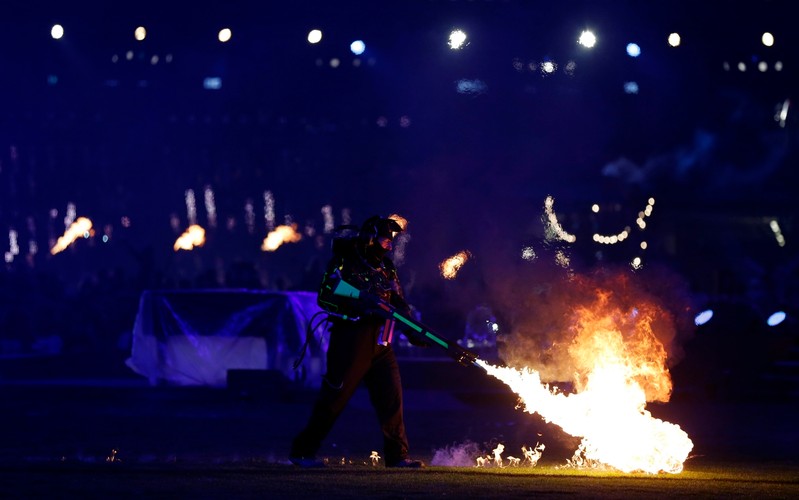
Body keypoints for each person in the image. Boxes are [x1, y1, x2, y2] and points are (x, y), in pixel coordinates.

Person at [289, 215, 425, 468]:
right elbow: (326, 295)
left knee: (391, 399)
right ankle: (303, 452)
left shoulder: (386, 267)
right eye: (385, 238)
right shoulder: (345, 261)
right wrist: (359, 301)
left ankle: (397, 456)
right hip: (350, 340)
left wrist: (412, 329)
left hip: (382, 343)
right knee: (334, 399)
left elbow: (397, 302)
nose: (389, 244)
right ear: (371, 238)